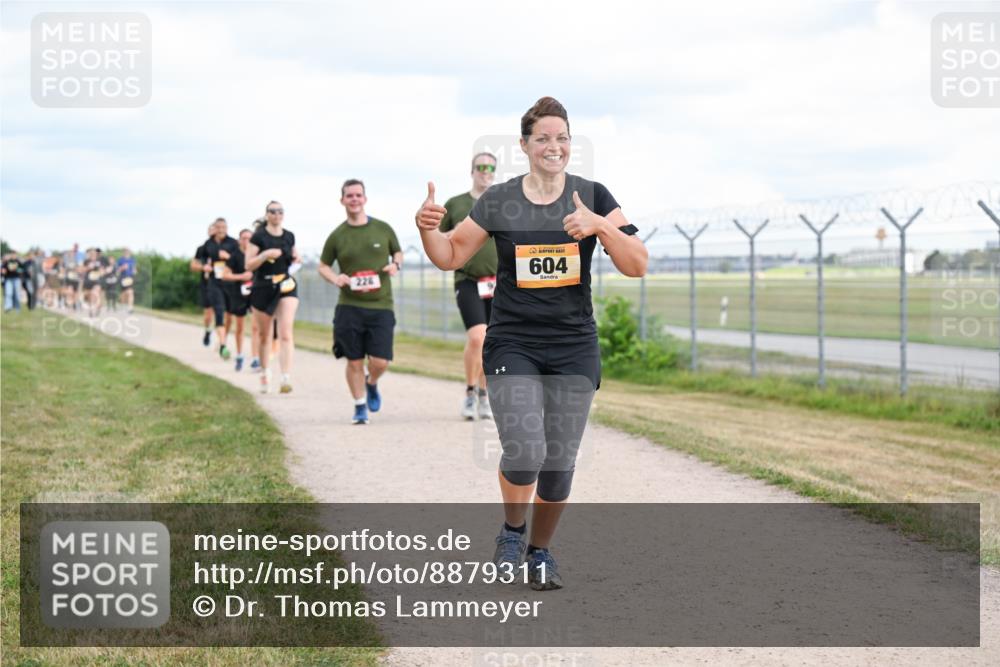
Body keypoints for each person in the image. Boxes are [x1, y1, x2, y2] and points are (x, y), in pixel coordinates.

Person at [415, 97, 647, 590]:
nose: (553, 146)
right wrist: (426, 231)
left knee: (559, 465)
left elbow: (637, 264)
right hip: (514, 342)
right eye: (543, 137)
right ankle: (511, 533)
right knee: (525, 451)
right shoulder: (499, 200)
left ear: (570, 144)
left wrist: (601, 225)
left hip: (573, 345)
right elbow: (451, 254)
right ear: (524, 145)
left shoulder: (593, 195)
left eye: (562, 137)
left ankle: (541, 552)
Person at [318, 179, 402, 425]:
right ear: (342, 200)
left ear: (365, 199)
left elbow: (397, 252)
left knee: (380, 361)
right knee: (353, 359)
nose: (354, 199)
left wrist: (395, 264)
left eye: (358, 195)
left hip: (381, 305)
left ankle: (372, 382)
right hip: (349, 306)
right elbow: (323, 266)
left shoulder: (383, 229)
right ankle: (359, 406)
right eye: (349, 196)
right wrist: (335, 277)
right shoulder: (337, 235)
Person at [439, 152, 499, 420]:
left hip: (498, 283)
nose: (485, 172)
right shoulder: (456, 204)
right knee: (477, 337)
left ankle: (484, 395)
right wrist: (456, 232)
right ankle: (469, 391)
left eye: (490, 168)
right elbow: (437, 239)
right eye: (480, 167)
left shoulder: (501, 202)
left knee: (492, 342)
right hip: (468, 280)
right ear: (472, 171)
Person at [245, 201, 300, 393]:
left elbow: (294, 257)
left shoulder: (289, 236)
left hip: (285, 284)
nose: (276, 214)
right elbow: (248, 265)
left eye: (280, 211)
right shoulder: (258, 237)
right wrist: (264, 255)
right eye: (272, 211)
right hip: (263, 286)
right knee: (264, 335)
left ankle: (285, 377)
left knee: (285, 332)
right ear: (266, 214)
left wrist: (296, 258)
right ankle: (265, 371)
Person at [204, 218, 240, 360]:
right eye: (218, 227)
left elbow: (240, 260)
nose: (220, 230)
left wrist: (228, 257)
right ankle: (224, 345)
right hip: (214, 282)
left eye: (223, 227)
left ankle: (221, 340)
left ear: (227, 228)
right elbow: (199, 261)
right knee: (219, 311)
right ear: (215, 228)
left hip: (230, 283)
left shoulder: (233, 243)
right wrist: (203, 267)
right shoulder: (208, 244)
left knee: (229, 315)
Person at [221, 228, 254, 371]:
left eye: (249, 238)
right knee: (239, 326)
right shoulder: (234, 256)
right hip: (238, 294)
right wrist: (241, 277)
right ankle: (240, 355)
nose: (246, 241)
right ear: (239, 240)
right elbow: (225, 275)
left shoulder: (257, 255)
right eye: (244, 238)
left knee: (256, 327)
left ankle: (256, 358)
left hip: (255, 293)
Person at [190, 222, 217, 347]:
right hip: (207, 283)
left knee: (222, 313)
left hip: (222, 284)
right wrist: (203, 267)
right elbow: (193, 266)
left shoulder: (226, 247)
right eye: (211, 230)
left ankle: (221, 340)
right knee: (208, 314)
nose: (213, 233)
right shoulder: (202, 248)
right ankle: (207, 331)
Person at [116, 248, 136, 313]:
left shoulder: (132, 260)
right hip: (123, 278)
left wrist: (134, 271)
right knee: (124, 294)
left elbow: (134, 269)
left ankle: (130, 308)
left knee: (130, 292)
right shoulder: (120, 260)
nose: (127, 253)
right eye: (125, 252)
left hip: (130, 278)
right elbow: (117, 270)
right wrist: (122, 268)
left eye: (128, 252)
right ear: (123, 253)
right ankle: (121, 304)